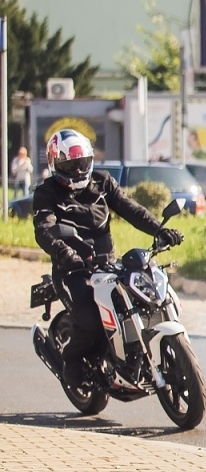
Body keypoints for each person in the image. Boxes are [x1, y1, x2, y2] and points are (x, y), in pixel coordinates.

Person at [32, 129, 184, 385]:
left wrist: (160, 230)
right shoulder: (46, 192)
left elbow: (130, 208)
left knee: (145, 298)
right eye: (71, 164)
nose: (79, 170)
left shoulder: (102, 182)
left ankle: (132, 353)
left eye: (83, 163)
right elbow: (44, 229)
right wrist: (64, 252)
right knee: (90, 322)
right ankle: (70, 362)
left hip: (106, 264)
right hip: (72, 269)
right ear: (56, 163)